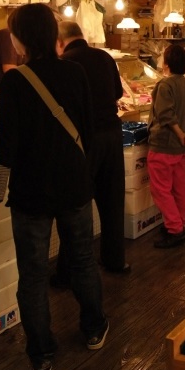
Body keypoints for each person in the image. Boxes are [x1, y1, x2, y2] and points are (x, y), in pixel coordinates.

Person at [0, 4, 108, 370]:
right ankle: (94, 328)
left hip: (30, 194)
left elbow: (4, 148)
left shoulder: (15, 82)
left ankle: (41, 354)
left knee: (34, 276)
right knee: (83, 259)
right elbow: (86, 127)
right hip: (73, 186)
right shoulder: (75, 72)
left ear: (20, 38)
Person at [54, 21, 129, 276]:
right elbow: (118, 93)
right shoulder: (105, 57)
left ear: (60, 42)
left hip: (83, 141)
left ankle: (67, 271)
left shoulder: (64, 65)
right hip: (112, 135)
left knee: (76, 206)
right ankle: (115, 260)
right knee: (112, 201)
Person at [147, 44, 185, 249]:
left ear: (166, 63)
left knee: (160, 189)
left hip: (164, 145)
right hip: (183, 149)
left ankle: (174, 228)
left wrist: (181, 134)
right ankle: (180, 221)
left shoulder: (165, 85)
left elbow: (165, 114)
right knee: (179, 185)